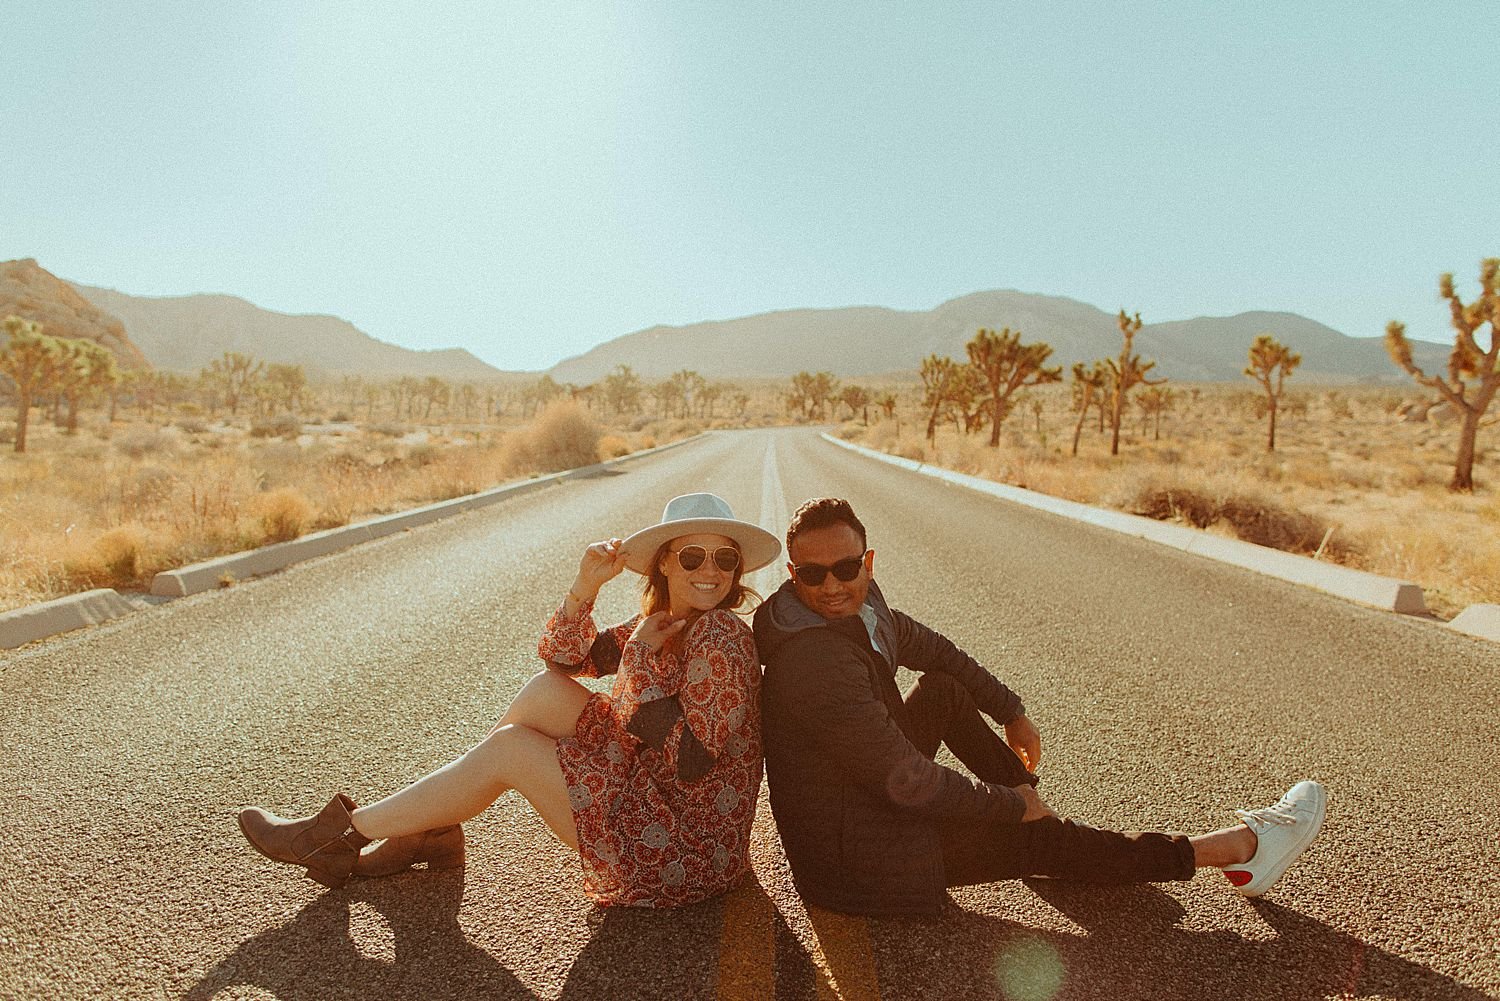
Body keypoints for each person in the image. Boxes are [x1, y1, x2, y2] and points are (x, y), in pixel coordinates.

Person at [753, 496, 1327, 918]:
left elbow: (940, 655)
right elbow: (906, 778)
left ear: (868, 561)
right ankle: (1237, 849)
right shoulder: (813, 660)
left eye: (846, 568)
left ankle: (1047, 829)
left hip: (863, 806)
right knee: (1037, 838)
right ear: (792, 574)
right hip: (859, 863)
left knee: (949, 692)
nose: (832, 586)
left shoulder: (864, 609)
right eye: (812, 574)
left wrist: (1010, 711)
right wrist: (1007, 805)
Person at [238, 492, 781, 908]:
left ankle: (339, 837)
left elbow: (692, 760)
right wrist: (584, 588)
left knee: (512, 752)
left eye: (724, 561)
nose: (709, 572)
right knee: (545, 695)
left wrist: (638, 661)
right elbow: (564, 662)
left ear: (736, 571)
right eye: (692, 556)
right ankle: (428, 827)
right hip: (659, 797)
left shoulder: (721, 637)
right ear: (664, 563)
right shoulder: (664, 622)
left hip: (686, 846)